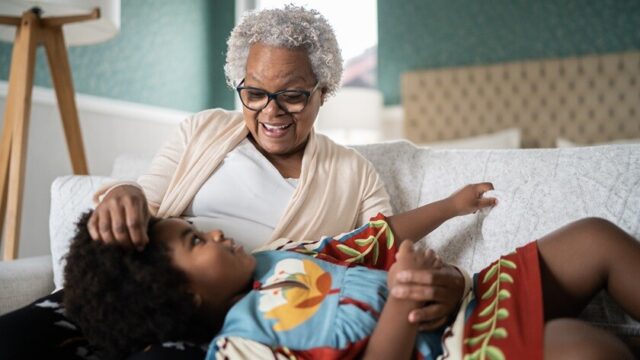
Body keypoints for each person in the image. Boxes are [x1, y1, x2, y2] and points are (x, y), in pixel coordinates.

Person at [0, 5, 464, 359]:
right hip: (147, 291)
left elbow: (376, 254)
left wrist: (442, 284)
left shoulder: (353, 174)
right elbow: (146, 196)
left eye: (293, 96)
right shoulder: (202, 131)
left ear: (324, 91)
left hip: (225, 325)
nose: (271, 111)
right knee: (19, 338)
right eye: (255, 92)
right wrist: (125, 192)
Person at [63, 183, 639, 360]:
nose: (213, 231)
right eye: (194, 241)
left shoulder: (282, 257)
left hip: (470, 311)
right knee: (578, 347)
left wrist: (449, 208)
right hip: (448, 356)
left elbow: (374, 239)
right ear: (182, 297)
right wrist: (399, 303)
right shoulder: (242, 347)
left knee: (593, 238)